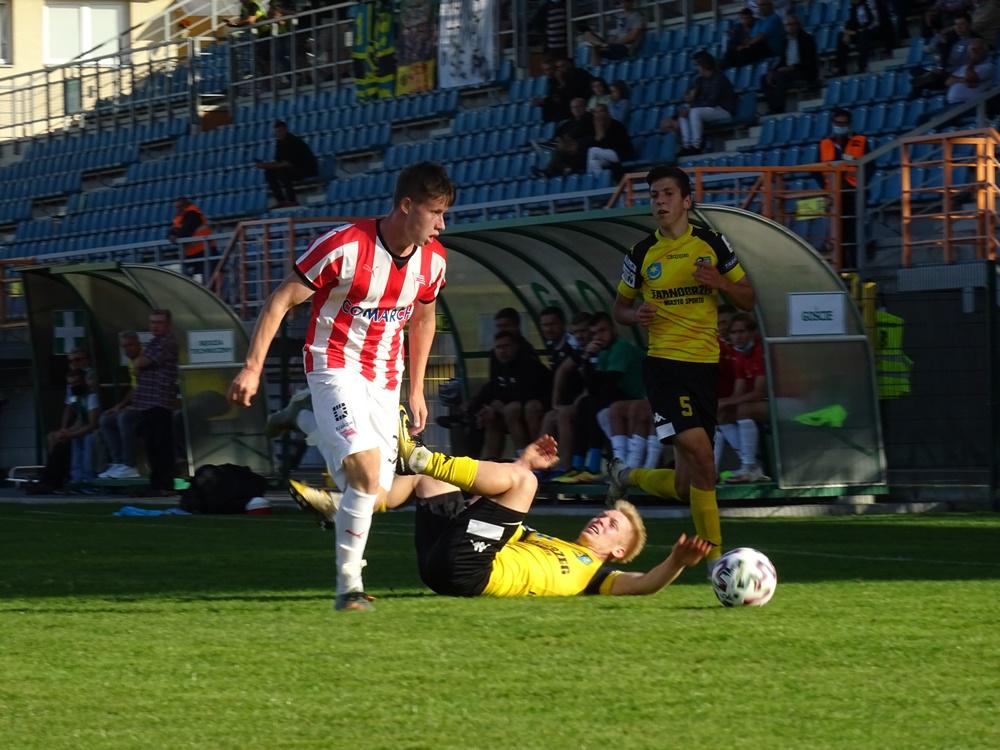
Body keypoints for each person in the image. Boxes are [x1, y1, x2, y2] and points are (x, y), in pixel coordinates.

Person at [228, 161, 453, 612]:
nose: (442, 224)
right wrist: (252, 367)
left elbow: (424, 319)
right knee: (366, 472)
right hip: (334, 366)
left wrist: (415, 389)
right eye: (435, 213)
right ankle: (349, 586)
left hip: (385, 380)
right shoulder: (344, 246)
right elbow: (280, 300)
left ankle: (304, 417)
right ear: (407, 206)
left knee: (379, 493)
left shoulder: (433, 261)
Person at [394, 409, 714, 597]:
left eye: (612, 524)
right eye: (605, 515)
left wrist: (677, 562)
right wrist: (521, 464)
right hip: (440, 566)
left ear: (619, 551)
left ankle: (423, 457)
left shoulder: (595, 576)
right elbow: (482, 507)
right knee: (433, 482)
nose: (601, 520)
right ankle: (360, 501)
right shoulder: (543, 540)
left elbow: (644, 584)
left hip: (470, 573)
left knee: (527, 481)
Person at [612, 165, 756, 563]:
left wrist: (721, 283)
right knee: (703, 456)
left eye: (668, 194)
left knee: (684, 483)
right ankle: (717, 562)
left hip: (704, 367)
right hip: (664, 366)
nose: (659, 201)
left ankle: (626, 476)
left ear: (687, 201)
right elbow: (619, 310)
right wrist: (635, 314)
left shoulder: (712, 244)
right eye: (654, 195)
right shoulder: (641, 254)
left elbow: (747, 297)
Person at [467, 330, 552, 459]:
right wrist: (485, 408)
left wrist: (499, 406)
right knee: (490, 416)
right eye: (498, 347)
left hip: (540, 407)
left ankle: (529, 458)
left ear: (516, 347)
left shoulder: (529, 365)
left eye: (506, 346)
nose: (502, 351)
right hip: (515, 410)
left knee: (512, 409)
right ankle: (492, 462)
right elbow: (490, 390)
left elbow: (528, 394)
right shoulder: (499, 367)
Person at [717, 313, 769, 483]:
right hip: (762, 403)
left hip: (786, 402)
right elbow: (738, 392)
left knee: (743, 410)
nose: (737, 336)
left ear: (752, 333)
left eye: (742, 332)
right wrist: (724, 404)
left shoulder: (762, 350)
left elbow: (759, 393)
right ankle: (751, 466)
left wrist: (726, 402)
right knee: (721, 414)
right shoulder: (739, 354)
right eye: (733, 333)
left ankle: (749, 466)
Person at [816, 108, 870, 269]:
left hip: (853, 194)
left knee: (853, 233)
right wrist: (825, 188)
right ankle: (840, 268)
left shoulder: (861, 141)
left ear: (849, 124)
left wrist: (860, 184)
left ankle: (854, 268)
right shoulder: (824, 143)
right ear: (832, 123)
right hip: (833, 195)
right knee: (836, 234)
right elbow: (816, 170)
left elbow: (870, 166)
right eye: (838, 123)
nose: (841, 126)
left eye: (844, 123)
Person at [133, 309, 179, 496]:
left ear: (168, 325)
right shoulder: (153, 342)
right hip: (147, 402)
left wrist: (139, 363)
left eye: (159, 322)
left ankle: (164, 484)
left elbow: (140, 363)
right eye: (152, 322)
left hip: (159, 401)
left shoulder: (167, 342)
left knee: (161, 445)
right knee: (151, 445)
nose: (155, 326)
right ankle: (156, 483)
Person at [97, 331, 143, 480]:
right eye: (124, 346)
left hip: (150, 405)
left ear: (138, 345)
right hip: (137, 405)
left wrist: (134, 406)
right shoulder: (131, 362)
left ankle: (130, 465)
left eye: (130, 345)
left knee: (124, 418)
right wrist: (120, 405)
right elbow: (134, 388)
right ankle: (118, 462)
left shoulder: (144, 361)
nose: (127, 349)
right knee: (106, 419)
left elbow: (148, 388)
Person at [676, 52, 737, 157]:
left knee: (694, 112)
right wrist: (689, 99)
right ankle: (687, 146)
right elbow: (690, 95)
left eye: (697, 65)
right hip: (707, 109)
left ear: (704, 65)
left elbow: (711, 102)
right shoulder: (699, 80)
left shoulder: (719, 78)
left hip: (723, 110)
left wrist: (692, 107)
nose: (696, 68)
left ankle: (696, 146)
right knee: (683, 114)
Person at [910, 12, 981, 98]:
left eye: (962, 24)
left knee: (920, 84)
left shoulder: (975, 42)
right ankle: (929, 77)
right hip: (944, 74)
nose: (958, 27)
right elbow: (931, 49)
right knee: (916, 70)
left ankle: (914, 95)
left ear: (969, 25)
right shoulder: (952, 39)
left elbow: (970, 62)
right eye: (956, 24)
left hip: (956, 74)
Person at [761, 15, 819, 115]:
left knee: (780, 76)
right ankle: (772, 107)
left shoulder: (807, 39)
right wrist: (772, 71)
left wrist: (791, 67)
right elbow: (782, 61)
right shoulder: (785, 41)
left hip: (804, 71)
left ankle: (779, 108)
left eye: (792, 24)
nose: (790, 27)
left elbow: (809, 62)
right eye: (788, 25)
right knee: (764, 78)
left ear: (798, 25)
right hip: (788, 71)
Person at [256, 120, 318, 207]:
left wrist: (266, 165)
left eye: (280, 131)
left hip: (305, 170)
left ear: (285, 130)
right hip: (293, 169)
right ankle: (281, 201)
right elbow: (278, 161)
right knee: (269, 173)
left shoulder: (293, 141)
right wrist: (266, 166)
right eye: (277, 132)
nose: (278, 134)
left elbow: (286, 163)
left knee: (283, 171)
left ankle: (292, 200)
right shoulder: (280, 142)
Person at [537, 97, 594, 177]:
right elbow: (559, 136)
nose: (576, 109)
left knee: (559, 151)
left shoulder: (589, 118)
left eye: (578, 106)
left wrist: (565, 141)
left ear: (585, 107)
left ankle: (551, 171)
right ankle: (565, 168)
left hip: (584, 153)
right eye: (574, 107)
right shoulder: (569, 123)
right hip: (569, 153)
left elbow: (574, 135)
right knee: (555, 149)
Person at [580, 0, 646, 66]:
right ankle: (601, 45)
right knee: (587, 34)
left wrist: (616, 43)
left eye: (625, 1)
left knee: (596, 48)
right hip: (614, 45)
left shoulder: (637, 16)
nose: (623, 3)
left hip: (626, 48)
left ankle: (595, 69)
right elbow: (616, 34)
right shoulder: (621, 16)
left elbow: (633, 37)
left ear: (631, 2)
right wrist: (611, 41)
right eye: (622, 1)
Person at [727, 0, 784, 67]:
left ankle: (741, 72)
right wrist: (741, 45)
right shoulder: (760, 21)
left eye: (763, 5)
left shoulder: (774, 18)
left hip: (770, 49)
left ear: (770, 5)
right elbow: (751, 38)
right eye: (759, 5)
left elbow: (761, 37)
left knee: (743, 52)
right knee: (731, 50)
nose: (760, 7)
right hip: (759, 47)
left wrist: (745, 46)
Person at [586, 103, 633, 180]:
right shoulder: (596, 127)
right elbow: (597, 145)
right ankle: (603, 183)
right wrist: (599, 135)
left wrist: (601, 135)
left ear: (607, 113)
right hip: (607, 156)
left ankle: (588, 179)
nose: (598, 114)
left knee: (592, 150)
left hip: (620, 154)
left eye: (601, 111)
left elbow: (615, 145)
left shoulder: (617, 125)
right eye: (596, 112)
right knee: (593, 162)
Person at [945, 36, 995, 104]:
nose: (974, 52)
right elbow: (948, 82)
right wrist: (962, 80)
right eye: (972, 50)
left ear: (985, 51)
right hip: (954, 105)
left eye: (977, 49)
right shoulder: (965, 67)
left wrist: (971, 62)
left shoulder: (988, 67)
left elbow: (970, 78)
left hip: (971, 105)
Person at [836, 0, 877, 76]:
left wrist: (855, 32)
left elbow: (868, 24)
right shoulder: (853, 8)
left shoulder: (865, 6)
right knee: (841, 36)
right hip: (857, 33)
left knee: (864, 36)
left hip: (869, 33)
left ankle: (862, 66)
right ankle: (841, 69)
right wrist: (846, 32)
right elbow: (850, 23)